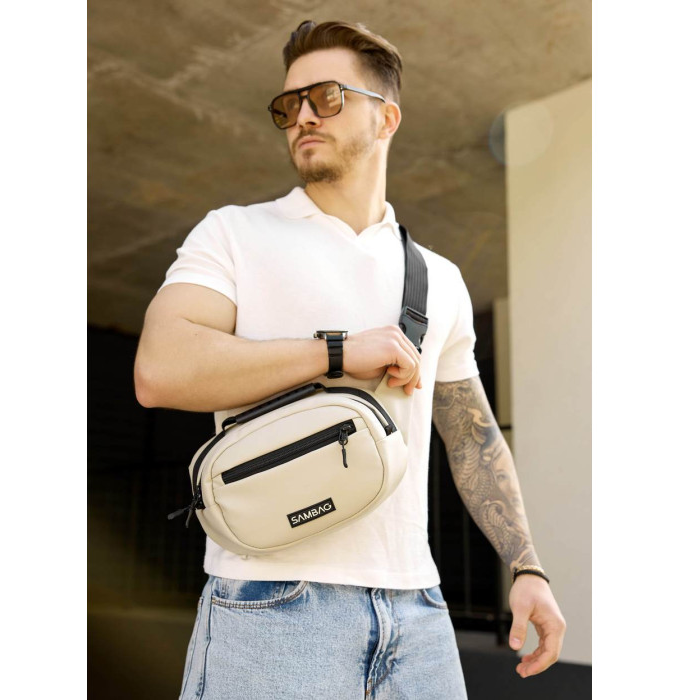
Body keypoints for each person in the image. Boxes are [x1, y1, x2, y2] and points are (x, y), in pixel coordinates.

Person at [134, 19, 566, 700]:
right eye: (289, 105)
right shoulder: (235, 233)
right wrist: (337, 352)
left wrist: (527, 567)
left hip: (419, 614)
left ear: (386, 117)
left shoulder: (440, 278)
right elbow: (159, 370)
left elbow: (472, 437)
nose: (303, 115)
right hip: (270, 605)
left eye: (327, 97)